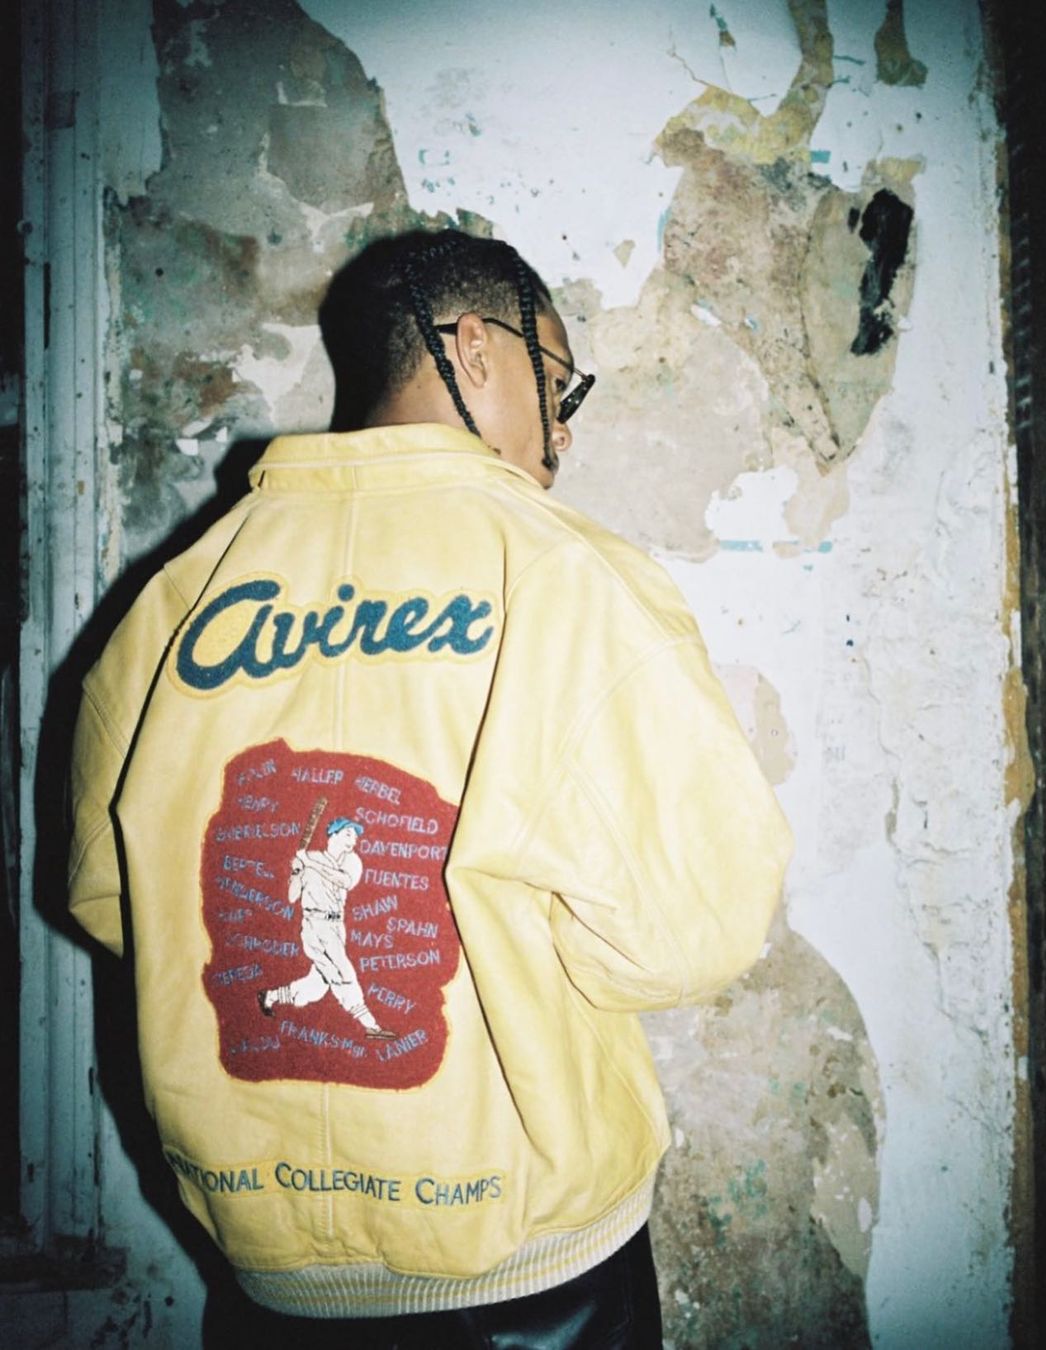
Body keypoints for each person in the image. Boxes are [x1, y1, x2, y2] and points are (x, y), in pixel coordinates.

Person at [68, 228, 792, 1348]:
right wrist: (524, 949)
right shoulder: (569, 576)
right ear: (474, 347)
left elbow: (113, 900)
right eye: (558, 383)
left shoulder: (176, 600)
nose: (563, 429)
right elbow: (698, 927)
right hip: (530, 1279)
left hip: (273, 1280)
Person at [257, 817, 393, 1038]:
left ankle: (270, 996)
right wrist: (296, 871)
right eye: (348, 834)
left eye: (355, 836)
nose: (353, 840)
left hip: (337, 925)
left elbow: (344, 881)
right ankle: (371, 1026)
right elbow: (292, 896)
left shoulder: (352, 861)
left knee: (317, 986)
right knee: (342, 971)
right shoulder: (310, 858)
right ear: (334, 834)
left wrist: (308, 863)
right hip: (315, 925)